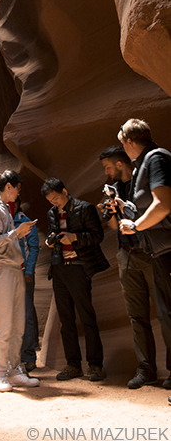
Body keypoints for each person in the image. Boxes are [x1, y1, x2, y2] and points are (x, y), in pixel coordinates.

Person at [117, 119, 171, 394]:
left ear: (129, 142)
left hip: (169, 250)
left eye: (122, 144)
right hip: (159, 251)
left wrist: (136, 226)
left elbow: (163, 205)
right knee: (166, 313)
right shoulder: (143, 165)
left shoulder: (156, 159)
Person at [98, 145, 157, 389]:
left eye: (108, 167)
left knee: (166, 312)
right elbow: (114, 227)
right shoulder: (116, 189)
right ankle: (146, 369)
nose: (106, 172)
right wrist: (110, 210)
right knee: (136, 315)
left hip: (150, 253)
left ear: (120, 164)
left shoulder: (143, 182)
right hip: (126, 254)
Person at [42, 177, 109, 383]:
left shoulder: (84, 208)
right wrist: (51, 241)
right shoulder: (52, 213)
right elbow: (54, 234)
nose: (55, 203)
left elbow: (98, 236)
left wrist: (75, 237)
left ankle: (95, 365)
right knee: (66, 320)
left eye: (56, 198)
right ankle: (73, 364)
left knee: (87, 317)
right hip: (60, 269)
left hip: (79, 267)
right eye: (51, 201)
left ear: (65, 191)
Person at [0, 169, 39, 392]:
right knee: (5, 323)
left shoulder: (5, 209)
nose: (18, 193)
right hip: (2, 270)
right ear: (9, 186)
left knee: (17, 324)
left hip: (14, 268)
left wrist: (18, 233)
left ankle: (15, 370)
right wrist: (17, 233)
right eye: (17, 188)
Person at [13, 197, 39, 372]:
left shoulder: (25, 221)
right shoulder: (2, 220)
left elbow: (33, 246)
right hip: (8, 274)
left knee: (26, 315)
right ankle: (14, 356)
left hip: (23, 274)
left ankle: (28, 356)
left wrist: (29, 271)